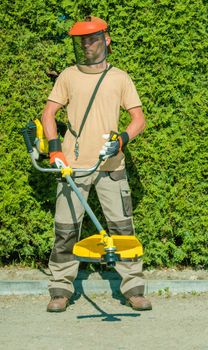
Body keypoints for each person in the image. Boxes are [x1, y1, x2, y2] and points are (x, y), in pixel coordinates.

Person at [41, 16, 151, 312]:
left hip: (111, 167)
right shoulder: (68, 76)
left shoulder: (120, 78)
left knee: (122, 228)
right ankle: (61, 289)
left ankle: (134, 289)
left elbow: (138, 119)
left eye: (92, 39)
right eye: (82, 41)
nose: (87, 45)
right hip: (72, 167)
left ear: (106, 41)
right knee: (65, 230)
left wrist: (123, 139)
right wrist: (55, 150)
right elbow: (48, 114)